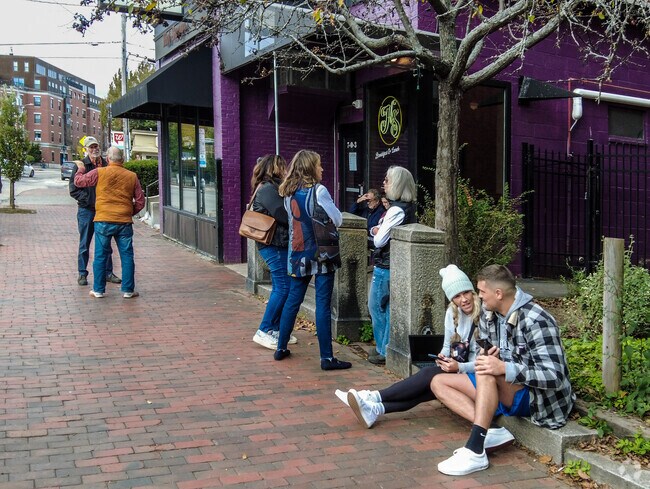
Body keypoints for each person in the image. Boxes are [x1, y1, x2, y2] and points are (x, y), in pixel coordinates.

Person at [434, 264, 575, 476]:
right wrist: (489, 360)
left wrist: (503, 367)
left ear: (498, 293)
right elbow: (487, 356)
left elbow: (554, 376)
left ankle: (475, 449)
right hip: (503, 386)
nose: (478, 297)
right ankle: (490, 430)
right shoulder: (489, 317)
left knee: (487, 370)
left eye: (482, 292)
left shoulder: (536, 319)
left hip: (538, 398)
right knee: (438, 382)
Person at [336, 265, 485, 430]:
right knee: (428, 385)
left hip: (474, 374)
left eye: (466, 292)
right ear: (452, 299)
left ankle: (373, 396)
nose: (463, 299)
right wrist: (442, 357)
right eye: (457, 296)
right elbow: (446, 346)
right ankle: (374, 409)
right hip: (458, 368)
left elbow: (485, 364)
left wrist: (460, 366)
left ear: (473, 292)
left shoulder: (484, 316)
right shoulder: (451, 313)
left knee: (428, 375)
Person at [274, 149, 352, 370]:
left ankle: (280, 347)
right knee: (322, 306)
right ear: (310, 168)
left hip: (297, 254)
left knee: (292, 301)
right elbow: (337, 219)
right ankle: (327, 358)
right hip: (322, 256)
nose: (322, 169)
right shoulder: (319, 191)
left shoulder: (287, 192)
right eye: (319, 165)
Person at [73, 146, 145, 299]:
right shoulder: (132, 176)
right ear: (123, 160)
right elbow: (140, 201)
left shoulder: (99, 172)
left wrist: (80, 168)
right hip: (124, 222)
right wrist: (127, 212)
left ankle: (98, 290)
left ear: (107, 159)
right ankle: (128, 290)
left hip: (103, 220)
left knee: (100, 255)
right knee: (127, 256)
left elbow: (79, 182)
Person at [367, 166, 417, 365]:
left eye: (387, 180)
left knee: (377, 307)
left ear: (396, 183)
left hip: (385, 265)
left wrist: (376, 232)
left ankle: (383, 349)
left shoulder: (396, 209)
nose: (383, 184)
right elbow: (377, 232)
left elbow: (379, 241)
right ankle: (385, 348)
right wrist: (376, 231)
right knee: (385, 307)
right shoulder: (407, 207)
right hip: (394, 264)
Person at [249, 154, 297, 350]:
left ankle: (275, 329)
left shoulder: (271, 187)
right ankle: (264, 329)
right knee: (283, 288)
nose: (285, 170)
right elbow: (283, 215)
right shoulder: (268, 189)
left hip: (277, 244)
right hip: (273, 244)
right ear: (274, 168)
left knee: (282, 287)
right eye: (282, 166)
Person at [69, 136, 121, 286]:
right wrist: (90, 200)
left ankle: (108, 273)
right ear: (86, 149)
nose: (94, 149)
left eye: (96, 146)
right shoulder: (81, 166)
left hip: (103, 211)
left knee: (106, 243)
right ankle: (82, 274)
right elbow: (73, 189)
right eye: (91, 147)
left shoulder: (106, 165)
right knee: (84, 243)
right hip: (86, 211)